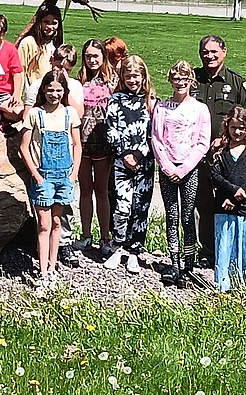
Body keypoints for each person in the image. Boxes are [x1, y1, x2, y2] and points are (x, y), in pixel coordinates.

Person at [191, 35, 246, 266]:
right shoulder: (192, 80)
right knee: (202, 206)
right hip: (197, 158)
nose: (209, 56)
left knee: (229, 203)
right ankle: (207, 253)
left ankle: (231, 253)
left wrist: (224, 140)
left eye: (214, 52)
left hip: (228, 159)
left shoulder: (236, 84)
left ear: (224, 52)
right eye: (205, 52)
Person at [19, 70, 82, 286]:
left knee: (57, 222)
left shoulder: (70, 114)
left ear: (64, 91)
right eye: (50, 89)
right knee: (43, 224)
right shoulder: (35, 114)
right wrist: (36, 175)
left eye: (58, 90)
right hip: (43, 176)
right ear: (43, 90)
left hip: (65, 176)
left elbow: (77, 145)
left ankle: (53, 266)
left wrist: (74, 174)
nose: (54, 94)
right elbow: (23, 147)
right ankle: (42, 269)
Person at [152, 60, 211, 287]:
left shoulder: (199, 109)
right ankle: (173, 260)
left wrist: (185, 167)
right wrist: (167, 167)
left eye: (185, 79)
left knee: (187, 217)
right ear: (170, 80)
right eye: (176, 79)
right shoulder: (162, 108)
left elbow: (202, 142)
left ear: (191, 81)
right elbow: (157, 139)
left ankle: (189, 262)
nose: (180, 83)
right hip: (168, 168)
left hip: (189, 168)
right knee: (172, 216)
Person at [103, 56, 156, 273]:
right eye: (128, 76)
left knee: (139, 207)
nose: (132, 80)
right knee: (121, 207)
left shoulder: (151, 101)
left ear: (143, 77)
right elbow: (111, 129)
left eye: (136, 75)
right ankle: (118, 246)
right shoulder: (115, 100)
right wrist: (125, 154)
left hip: (144, 163)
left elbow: (155, 132)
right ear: (122, 77)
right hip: (121, 163)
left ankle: (134, 251)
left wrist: (139, 155)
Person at [209, 107, 246, 292]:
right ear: (227, 127)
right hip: (224, 204)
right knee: (226, 245)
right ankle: (225, 284)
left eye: (242, 128)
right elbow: (216, 175)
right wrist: (233, 192)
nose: (237, 132)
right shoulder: (221, 150)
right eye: (233, 128)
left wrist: (241, 193)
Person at [77, 39, 116, 252]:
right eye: (88, 56)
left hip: (103, 143)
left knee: (102, 191)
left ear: (103, 57)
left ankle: (105, 236)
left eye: (96, 56)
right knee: (84, 190)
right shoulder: (78, 80)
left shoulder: (113, 81)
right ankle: (85, 234)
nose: (92, 60)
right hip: (81, 144)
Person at [15, 5, 63, 90]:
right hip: (34, 91)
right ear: (39, 22)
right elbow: (20, 70)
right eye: (46, 22)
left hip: (52, 91)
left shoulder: (57, 44)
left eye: (54, 23)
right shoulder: (29, 42)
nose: (50, 27)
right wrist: (18, 94)